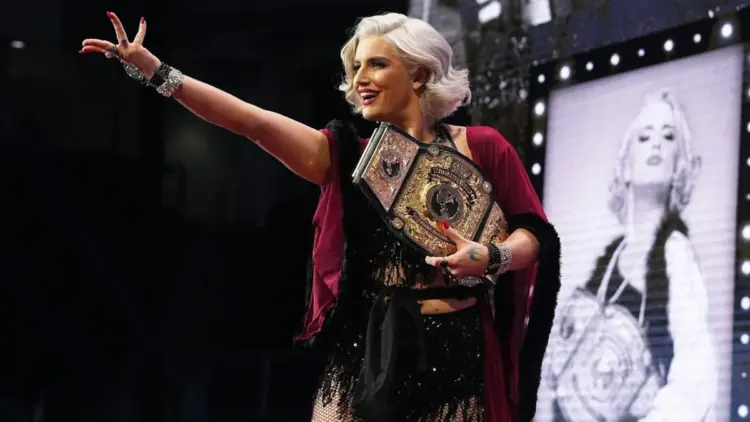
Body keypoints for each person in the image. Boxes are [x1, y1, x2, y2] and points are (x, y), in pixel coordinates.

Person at [81, 11, 561, 422]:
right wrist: (158, 72)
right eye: (356, 67)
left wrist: (492, 256)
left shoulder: (482, 147)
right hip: (368, 350)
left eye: (377, 64)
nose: (359, 78)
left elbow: (536, 235)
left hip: (459, 355)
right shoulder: (348, 154)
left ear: (418, 75)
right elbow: (250, 121)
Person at [536, 90, 716, 422]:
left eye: (668, 137)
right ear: (626, 166)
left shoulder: (675, 252)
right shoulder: (610, 257)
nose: (656, 144)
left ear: (679, 164)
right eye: (645, 137)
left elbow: (695, 377)